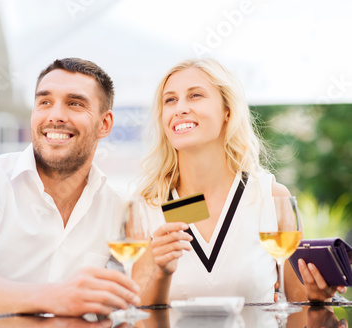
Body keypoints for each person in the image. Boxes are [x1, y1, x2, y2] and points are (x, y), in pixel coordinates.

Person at [0, 58, 141, 327]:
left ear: (104, 124)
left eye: (74, 103)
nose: (55, 115)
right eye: (44, 102)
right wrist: (58, 297)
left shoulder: (114, 208)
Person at [133, 58, 347, 305]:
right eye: (170, 100)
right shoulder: (147, 206)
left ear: (227, 111)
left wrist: (318, 297)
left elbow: (300, 304)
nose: (180, 108)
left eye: (195, 95)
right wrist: (161, 272)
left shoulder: (272, 197)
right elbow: (136, 311)